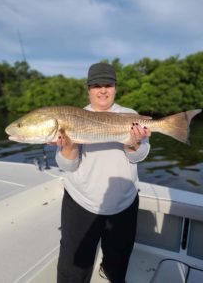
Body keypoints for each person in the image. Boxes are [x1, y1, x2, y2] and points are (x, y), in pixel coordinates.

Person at [55, 62, 151, 283]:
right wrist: (69, 147)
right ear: (88, 89)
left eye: (108, 84)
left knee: (118, 262)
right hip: (81, 202)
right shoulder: (73, 116)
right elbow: (68, 166)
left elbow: (138, 156)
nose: (103, 90)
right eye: (97, 85)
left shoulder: (129, 115)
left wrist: (134, 143)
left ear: (115, 87)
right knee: (73, 269)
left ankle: (109, 271)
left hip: (124, 204)